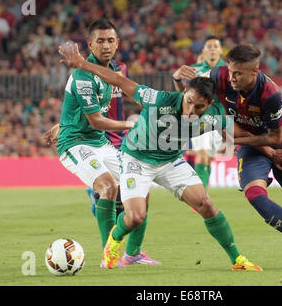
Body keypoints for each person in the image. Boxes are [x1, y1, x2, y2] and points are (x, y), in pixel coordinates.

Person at [59, 42, 263, 271]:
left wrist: (272, 150)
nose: (190, 111)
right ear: (183, 92)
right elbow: (118, 81)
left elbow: (242, 135)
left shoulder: (214, 115)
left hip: (170, 161)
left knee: (205, 204)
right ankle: (114, 240)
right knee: (135, 217)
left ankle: (237, 259)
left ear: (209, 105)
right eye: (188, 102)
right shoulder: (159, 99)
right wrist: (82, 64)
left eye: (198, 107)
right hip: (136, 159)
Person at [173, 44, 282, 262]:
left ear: (254, 72)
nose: (232, 78)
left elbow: (275, 138)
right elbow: (189, 93)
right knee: (254, 195)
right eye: (230, 72)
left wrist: (236, 139)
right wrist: (177, 77)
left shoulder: (271, 93)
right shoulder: (219, 76)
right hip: (251, 146)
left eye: (238, 74)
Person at [44, 19, 160, 268]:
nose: (106, 45)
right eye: (100, 41)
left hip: (100, 142)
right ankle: (111, 255)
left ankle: (134, 253)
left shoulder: (113, 72)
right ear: (89, 44)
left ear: (117, 43)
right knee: (108, 186)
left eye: (110, 40)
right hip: (75, 143)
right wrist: (133, 125)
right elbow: (96, 121)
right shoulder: (83, 75)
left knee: (143, 187)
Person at [173, 35, 227, 193]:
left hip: (220, 117)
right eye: (208, 46)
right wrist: (176, 80)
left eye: (215, 46)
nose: (212, 49)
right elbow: (183, 92)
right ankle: (200, 197)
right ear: (203, 51)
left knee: (208, 159)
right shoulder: (194, 70)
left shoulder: (227, 70)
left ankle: (203, 193)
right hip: (201, 116)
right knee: (202, 155)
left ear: (220, 51)